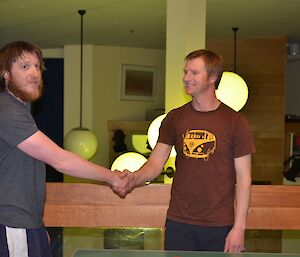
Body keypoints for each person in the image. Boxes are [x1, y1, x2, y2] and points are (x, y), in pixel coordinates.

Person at [0, 41, 131, 257]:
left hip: (29, 224)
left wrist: (38, 228)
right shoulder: (7, 111)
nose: (34, 73)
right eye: (24, 66)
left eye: (37, 66)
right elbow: (60, 160)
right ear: (6, 74)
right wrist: (112, 177)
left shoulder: (20, 111)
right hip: (13, 225)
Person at [121, 49, 255, 252]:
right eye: (185, 72)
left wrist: (239, 227)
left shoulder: (236, 122)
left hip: (220, 225)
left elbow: (244, 178)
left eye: (194, 73)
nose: (186, 78)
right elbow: (155, 164)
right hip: (179, 223)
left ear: (212, 77)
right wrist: (133, 178)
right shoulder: (175, 118)